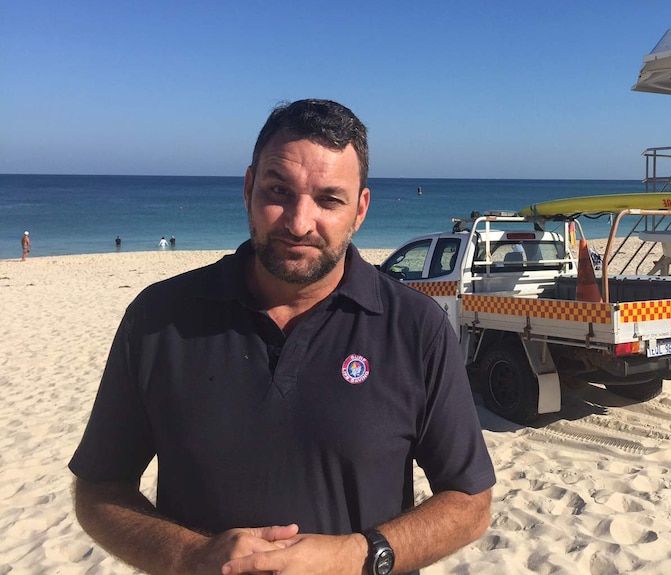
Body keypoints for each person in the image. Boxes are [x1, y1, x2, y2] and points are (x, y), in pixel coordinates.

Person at [69, 99, 495, 575]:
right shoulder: (158, 318)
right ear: (249, 187)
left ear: (360, 209)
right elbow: (98, 489)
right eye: (278, 191)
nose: (298, 222)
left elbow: (470, 501)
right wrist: (189, 556)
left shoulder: (416, 328)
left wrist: (358, 555)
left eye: (329, 200)